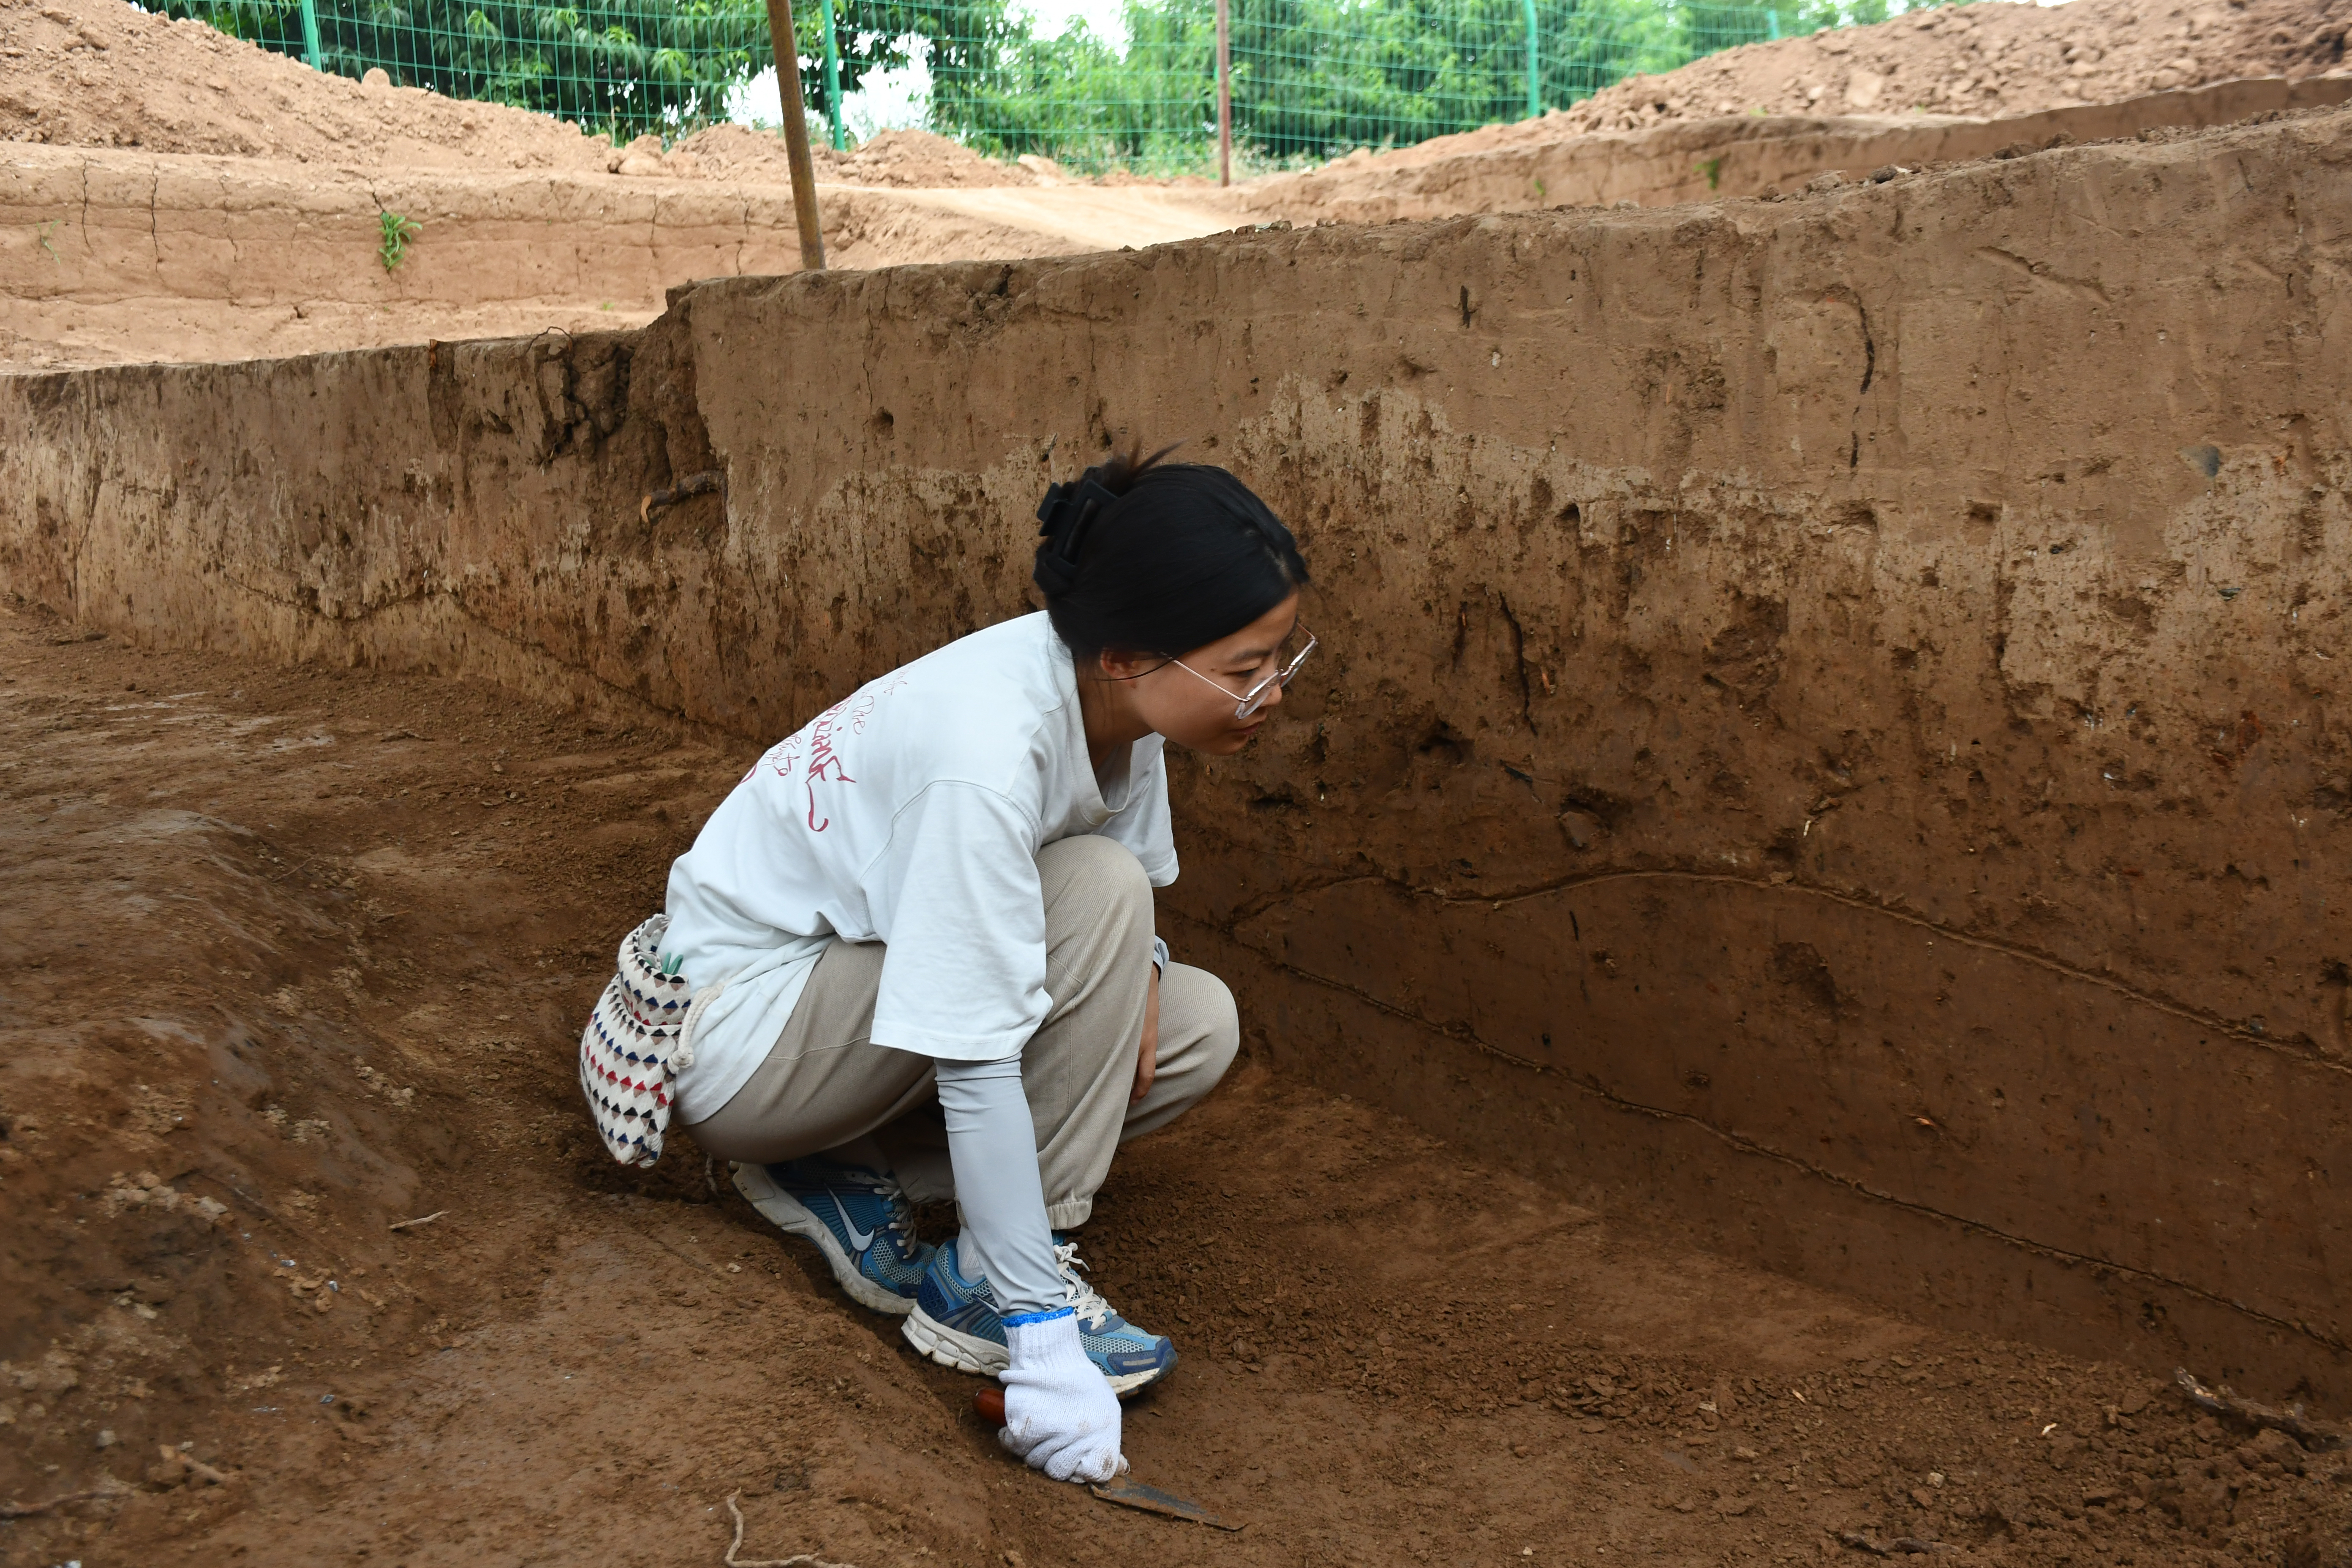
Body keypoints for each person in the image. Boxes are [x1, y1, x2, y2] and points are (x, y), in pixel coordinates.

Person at [578, 444, 1314, 1484]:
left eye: (1282, 656)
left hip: (840, 1003)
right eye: (1245, 669)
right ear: (1127, 656)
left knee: (1191, 1024)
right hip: (736, 1037)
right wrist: (1045, 1345)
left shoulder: (1119, 705)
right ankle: (983, 1285)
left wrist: (1130, 979)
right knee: (1097, 896)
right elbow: (986, 1045)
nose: (1272, 690)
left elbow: (1122, 913)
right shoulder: (987, 752)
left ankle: (836, 1161)